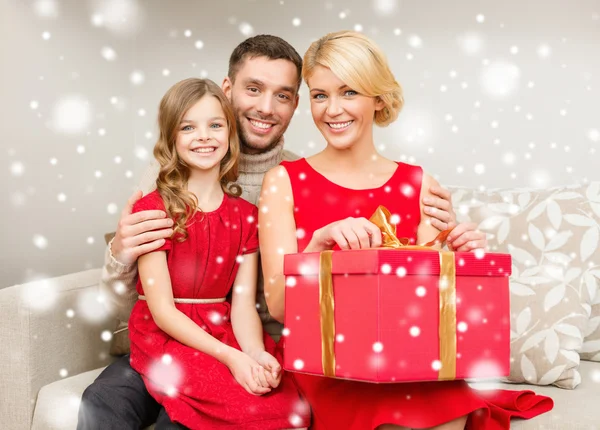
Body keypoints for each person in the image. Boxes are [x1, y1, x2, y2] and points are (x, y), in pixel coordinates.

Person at [78, 35, 457, 429]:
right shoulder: (169, 179)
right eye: (253, 89)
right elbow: (133, 303)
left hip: (247, 342)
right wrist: (120, 255)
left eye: (283, 95)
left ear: (295, 103)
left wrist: (448, 245)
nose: (265, 107)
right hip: (170, 338)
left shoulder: (292, 179)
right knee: (105, 400)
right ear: (227, 91)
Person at [259, 30, 553, 430]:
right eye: (320, 94)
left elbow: (432, 310)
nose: (332, 110)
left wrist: (462, 261)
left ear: (378, 98)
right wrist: (315, 246)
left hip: (407, 363)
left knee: (451, 416)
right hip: (327, 364)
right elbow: (277, 307)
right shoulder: (283, 181)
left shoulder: (418, 184)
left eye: (349, 92)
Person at [128, 77, 309, 429]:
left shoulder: (245, 216)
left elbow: (241, 305)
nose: (204, 136)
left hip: (221, 329)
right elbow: (162, 311)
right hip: (165, 334)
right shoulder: (153, 210)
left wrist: (254, 352)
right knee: (240, 405)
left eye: (215, 125)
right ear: (171, 137)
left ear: (230, 134)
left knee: (287, 409)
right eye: (188, 127)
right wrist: (232, 358)